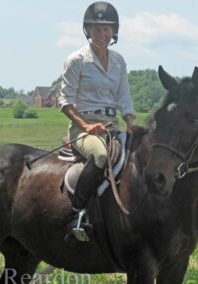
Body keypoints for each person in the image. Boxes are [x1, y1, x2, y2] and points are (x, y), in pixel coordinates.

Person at [58, 1, 136, 241]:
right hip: (84, 130)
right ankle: (77, 215)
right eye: (96, 28)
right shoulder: (76, 60)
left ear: (114, 32)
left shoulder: (119, 62)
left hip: (113, 127)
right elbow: (65, 102)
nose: (101, 34)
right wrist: (86, 126)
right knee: (101, 155)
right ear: (87, 30)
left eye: (106, 29)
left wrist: (131, 122)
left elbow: (124, 96)